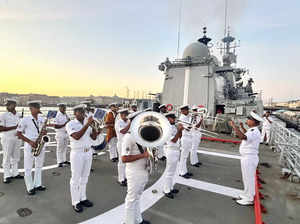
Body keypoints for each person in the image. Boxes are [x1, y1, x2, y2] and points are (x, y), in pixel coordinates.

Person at [66, 104, 99, 213]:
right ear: (75, 113)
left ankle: (83, 198)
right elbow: (77, 136)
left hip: (88, 152)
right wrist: (87, 125)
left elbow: (93, 138)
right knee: (75, 178)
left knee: (85, 177)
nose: (83, 114)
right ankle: (75, 202)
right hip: (77, 153)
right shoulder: (70, 124)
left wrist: (95, 129)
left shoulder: (87, 123)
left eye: (83, 111)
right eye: (80, 112)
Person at [121, 111, 151, 224]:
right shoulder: (128, 137)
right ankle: (128, 222)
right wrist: (143, 155)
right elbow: (124, 158)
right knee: (131, 198)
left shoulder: (141, 135)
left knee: (137, 197)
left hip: (143, 170)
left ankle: (138, 220)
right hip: (134, 172)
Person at [229, 111, 263, 206]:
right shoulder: (252, 130)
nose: (247, 121)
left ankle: (249, 198)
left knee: (249, 178)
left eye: (249, 119)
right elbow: (246, 135)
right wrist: (241, 127)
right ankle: (246, 193)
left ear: (254, 122)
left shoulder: (254, 131)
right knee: (246, 177)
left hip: (249, 158)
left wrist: (234, 126)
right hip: (247, 157)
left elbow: (243, 137)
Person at [17, 100, 47, 195]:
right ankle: (30, 187)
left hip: (40, 144)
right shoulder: (25, 119)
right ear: (31, 109)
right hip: (30, 145)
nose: (39, 109)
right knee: (28, 167)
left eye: (39, 107)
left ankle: (37, 184)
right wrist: (30, 142)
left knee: (39, 166)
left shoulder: (41, 119)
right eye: (36, 108)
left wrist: (44, 132)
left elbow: (42, 130)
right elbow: (18, 134)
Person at [0, 99, 23, 184]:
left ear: (14, 105)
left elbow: (21, 126)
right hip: (7, 139)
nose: (7, 106)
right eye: (7, 105)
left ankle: (15, 173)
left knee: (16, 156)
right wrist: (14, 127)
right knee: (7, 157)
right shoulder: (3, 115)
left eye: (9, 104)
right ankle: (7, 176)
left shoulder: (19, 115)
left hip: (17, 138)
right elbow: (0, 128)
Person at [163, 112, 184, 199]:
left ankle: (170, 187)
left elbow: (180, 137)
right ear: (168, 119)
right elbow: (174, 140)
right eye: (172, 118)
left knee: (173, 171)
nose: (174, 119)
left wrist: (180, 130)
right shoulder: (167, 128)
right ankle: (166, 190)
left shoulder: (174, 126)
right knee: (169, 172)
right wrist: (179, 130)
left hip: (176, 150)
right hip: (171, 150)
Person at [115, 108, 130, 186]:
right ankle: (121, 179)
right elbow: (123, 131)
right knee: (121, 161)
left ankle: (126, 177)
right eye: (124, 114)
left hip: (128, 143)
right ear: (121, 115)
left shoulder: (128, 121)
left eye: (127, 114)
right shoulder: (119, 122)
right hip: (121, 143)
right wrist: (130, 124)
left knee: (127, 162)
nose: (126, 116)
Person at [178, 104, 193, 178]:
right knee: (183, 157)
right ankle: (182, 172)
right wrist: (192, 119)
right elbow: (188, 128)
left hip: (188, 138)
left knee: (185, 156)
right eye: (187, 110)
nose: (188, 111)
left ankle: (184, 171)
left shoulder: (186, 117)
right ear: (183, 111)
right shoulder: (182, 118)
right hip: (185, 138)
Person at [54, 103, 70, 167]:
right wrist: (64, 124)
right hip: (60, 133)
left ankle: (64, 160)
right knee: (60, 148)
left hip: (66, 133)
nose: (64, 109)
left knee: (65, 147)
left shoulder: (66, 115)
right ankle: (59, 162)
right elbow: (55, 126)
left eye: (65, 107)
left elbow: (68, 122)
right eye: (63, 107)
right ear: (59, 108)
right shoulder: (57, 115)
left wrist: (69, 122)